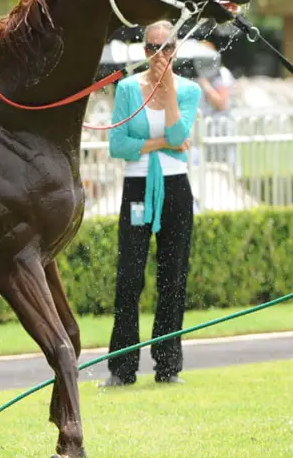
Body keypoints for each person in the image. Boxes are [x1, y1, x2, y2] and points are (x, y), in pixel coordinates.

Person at [100, 20, 201, 387]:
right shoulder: (128, 89)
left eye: (166, 48)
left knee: (172, 277)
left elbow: (180, 133)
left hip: (175, 187)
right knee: (130, 275)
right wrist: (162, 144)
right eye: (151, 48)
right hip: (138, 186)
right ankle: (122, 367)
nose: (159, 55)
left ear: (176, 50)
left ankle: (168, 365)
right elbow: (118, 145)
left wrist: (169, 92)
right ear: (142, 51)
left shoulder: (188, 91)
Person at [194, 41, 237, 168]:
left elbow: (221, 103)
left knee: (225, 170)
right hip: (203, 131)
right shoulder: (195, 75)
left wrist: (205, 83)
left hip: (221, 130)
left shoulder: (222, 74)